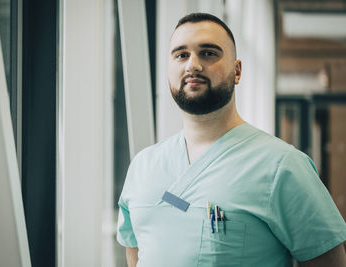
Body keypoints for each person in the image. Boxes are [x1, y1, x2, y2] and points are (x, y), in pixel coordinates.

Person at [116, 13, 346, 267]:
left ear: (237, 71)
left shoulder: (282, 166)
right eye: (181, 55)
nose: (192, 64)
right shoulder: (142, 166)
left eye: (208, 53)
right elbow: (135, 253)